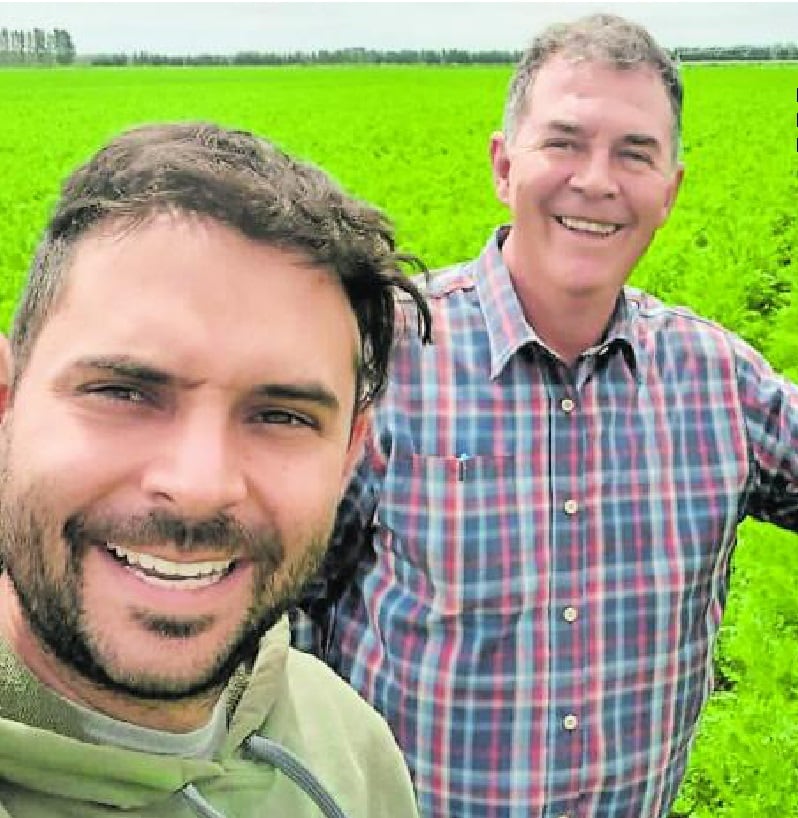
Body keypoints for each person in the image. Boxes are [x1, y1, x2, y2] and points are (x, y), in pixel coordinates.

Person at [293, 13, 798, 818]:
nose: (597, 180)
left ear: (671, 189)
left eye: (635, 154)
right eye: (564, 142)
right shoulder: (384, 356)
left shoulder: (720, 384)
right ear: (504, 165)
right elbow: (283, 599)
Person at [0, 122, 430, 818]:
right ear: (7, 405)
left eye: (282, 416)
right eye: (124, 392)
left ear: (348, 455)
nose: (200, 486)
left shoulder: (345, 741)